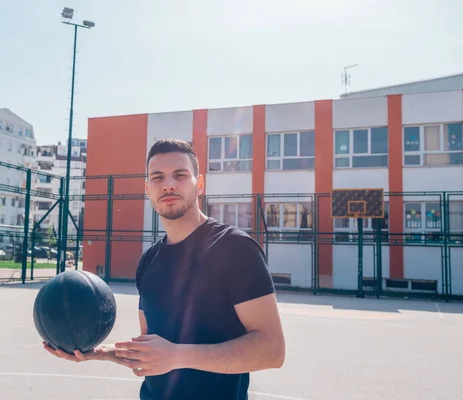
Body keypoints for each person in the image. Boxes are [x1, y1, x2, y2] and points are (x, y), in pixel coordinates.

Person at [43, 138, 286, 399]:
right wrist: (101, 353)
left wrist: (177, 356)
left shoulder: (235, 249)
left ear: (200, 184)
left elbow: (272, 350)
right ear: (148, 188)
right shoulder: (149, 262)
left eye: (180, 175)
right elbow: (151, 353)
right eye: (157, 177)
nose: (168, 184)